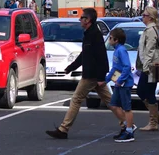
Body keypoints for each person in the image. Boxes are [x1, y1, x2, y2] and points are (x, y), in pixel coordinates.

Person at [46, 8, 125, 139]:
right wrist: (71, 67)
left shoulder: (95, 35)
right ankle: (127, 125)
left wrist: (100, 77)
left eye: (82, 17)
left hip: (92, 75)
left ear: (88, 20)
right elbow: (85, 55)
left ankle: (63, 129)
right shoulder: (88, 34)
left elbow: (101, 57)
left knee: (76, 99)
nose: (80, 19)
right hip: (92, 74)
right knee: (110, 101)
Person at [135, 6, 159, 131]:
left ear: (150, 17)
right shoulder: (149, 29)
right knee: (143, 91)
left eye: (144, 15)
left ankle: (153, 122)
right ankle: (156, 117)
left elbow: (150, 49)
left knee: (146, 91)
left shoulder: (151, 30)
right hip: (150, 65)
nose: (142, 17)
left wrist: (146, 65)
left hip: (152, 65)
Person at [106, 28, 136, 143]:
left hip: (124, 84)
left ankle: (129, 131)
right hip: (119, 83)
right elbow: (115, 67)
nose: (109, 40)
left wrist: (120, 80)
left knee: (126, 108)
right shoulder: (116, 50)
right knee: (113, 105)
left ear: (116, 40)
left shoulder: (121, 50)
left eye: (110, 38)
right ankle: (127, 125)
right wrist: (107, 79)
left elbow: (127, 66)